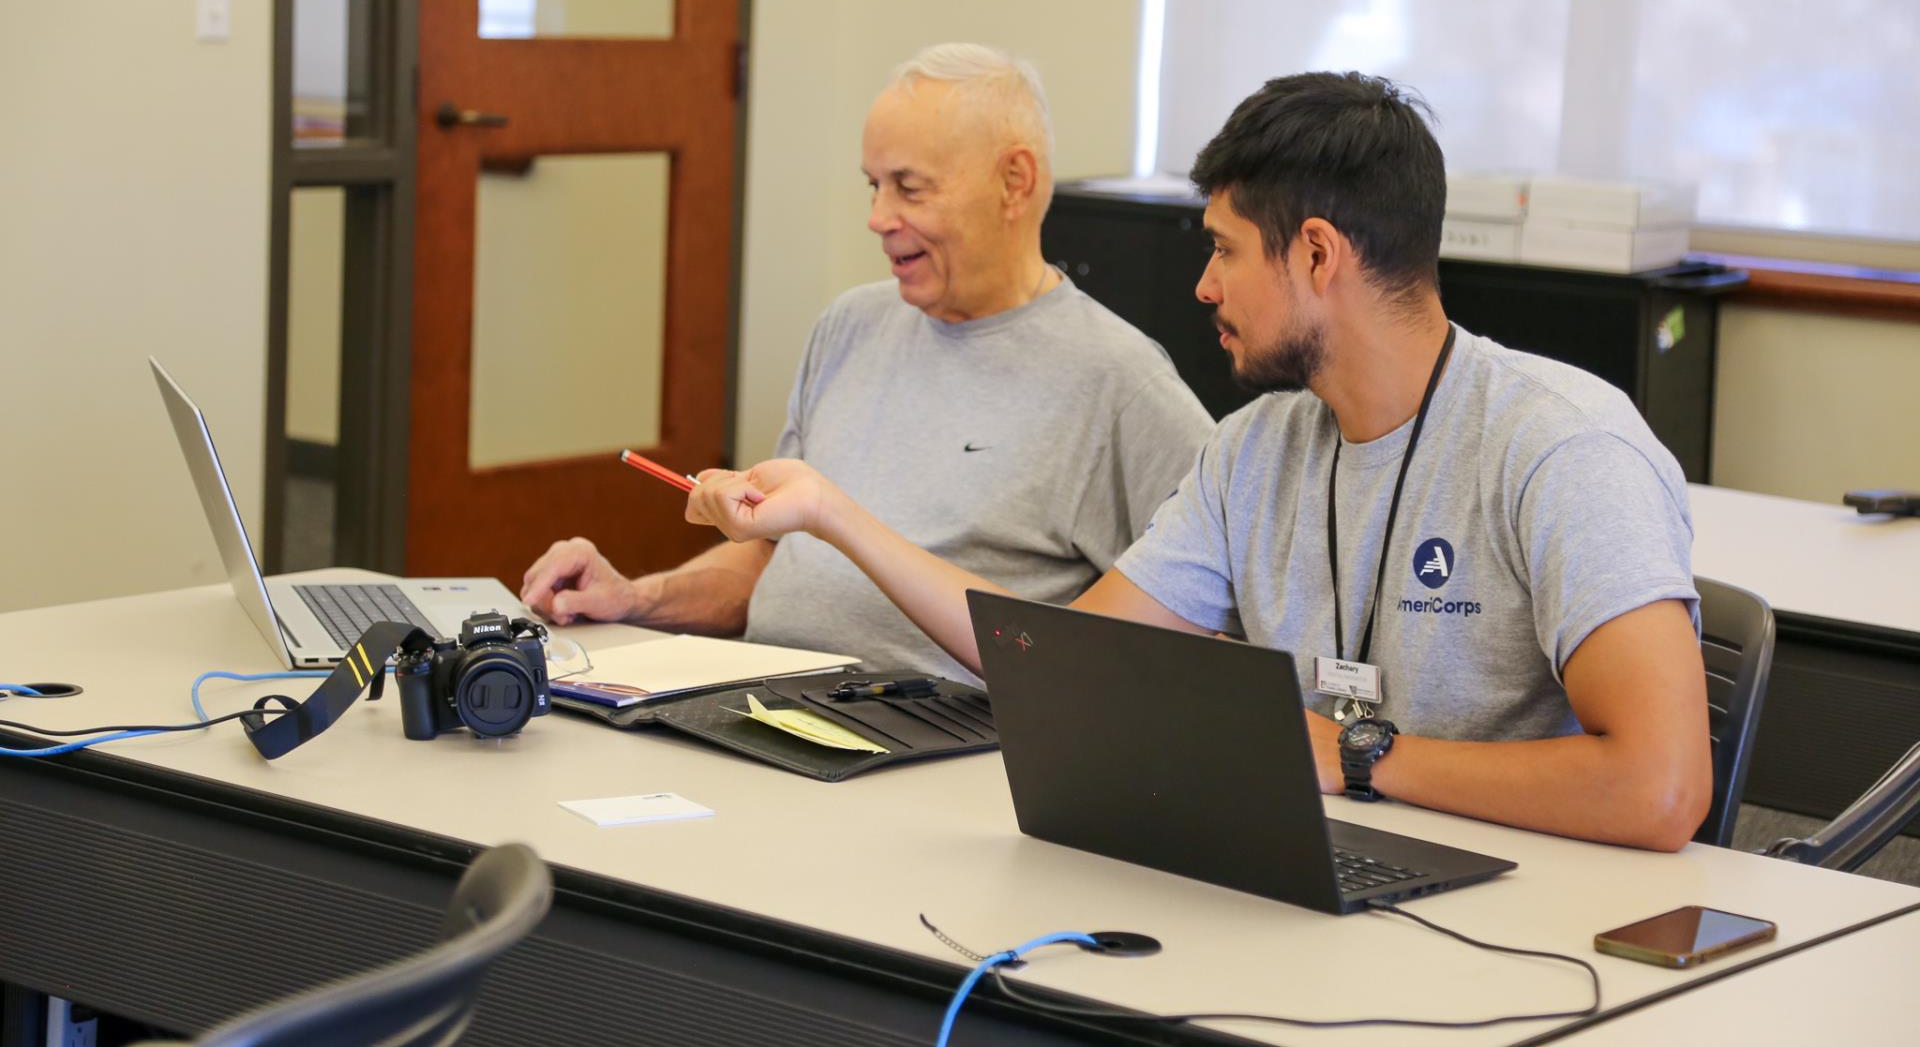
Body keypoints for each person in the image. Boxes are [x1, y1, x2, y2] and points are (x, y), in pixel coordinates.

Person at [684, 71, 1713, 852]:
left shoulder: (1561, 447)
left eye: (1224, 249)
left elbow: (1661, 788)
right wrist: (834, 516)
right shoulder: (1256, 449)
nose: (1203, 287)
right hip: (1326, 860)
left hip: (1524, 902)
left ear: (1317, 254)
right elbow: (1058, 663)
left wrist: (1358, 756)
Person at [519, 43, 1214, 684]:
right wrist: (637, 598)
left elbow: (1200, 621)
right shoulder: (849, 325)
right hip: (763, 703)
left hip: (941, 743)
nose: (878, 217)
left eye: (909, 188)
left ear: (1014, 182)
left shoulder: (1118, 382)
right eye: (873, 185)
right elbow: (773, 560)